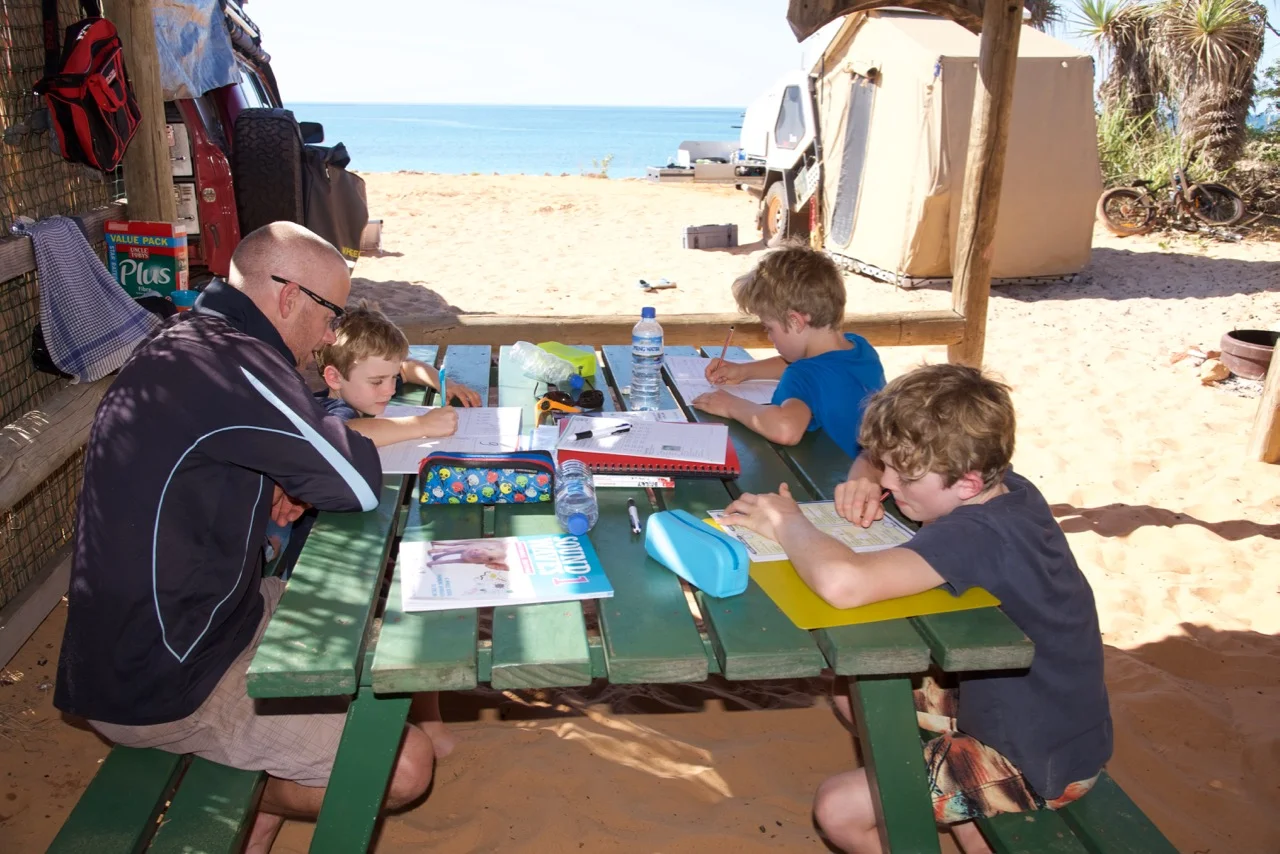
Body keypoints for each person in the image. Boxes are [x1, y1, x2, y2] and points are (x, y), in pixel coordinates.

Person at [53, 222, 446, 854]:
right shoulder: (239, 363)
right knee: (404, 766)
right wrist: (308, 468)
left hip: (195, 622)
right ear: (289, 296)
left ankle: (260, 783)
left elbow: (230, 445)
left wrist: (272, 480)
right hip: (165, 679)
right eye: (330, 314)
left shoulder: (193, 339)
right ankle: (231, 786)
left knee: (397, 636)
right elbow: (350, 480)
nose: (331, 335)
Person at [720, 364, 1112, 854]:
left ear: (966, 483)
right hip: (1009, 703)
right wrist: (865, 475)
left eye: (903, 477)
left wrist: (787, 522)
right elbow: (871, 457)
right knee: (853, 690)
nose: (888, 484)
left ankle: (954, 803)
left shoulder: (977, 534)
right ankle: (954, 804)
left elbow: (844, 583)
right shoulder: (1004, 487)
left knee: (838, 808)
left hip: (1036, 758)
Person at [263, 301, 479, 566]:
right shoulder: (331, 409)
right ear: (334, 378)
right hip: (314, 539)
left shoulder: (365, 384)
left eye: (390, 378)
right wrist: (421, 425)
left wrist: (444, 383)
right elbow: (344, 432)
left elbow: (407, 367)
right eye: (377, 382)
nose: (389, 389)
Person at [691, 244, 885, 458]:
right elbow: (799, 366)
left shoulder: (803, 374)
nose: (768, 336)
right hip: (874, 474)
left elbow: (786, 429)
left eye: (769, 328)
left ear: (795, 321)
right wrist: (745, 371)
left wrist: (731, 405)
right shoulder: (859, 347)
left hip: (834, 483)